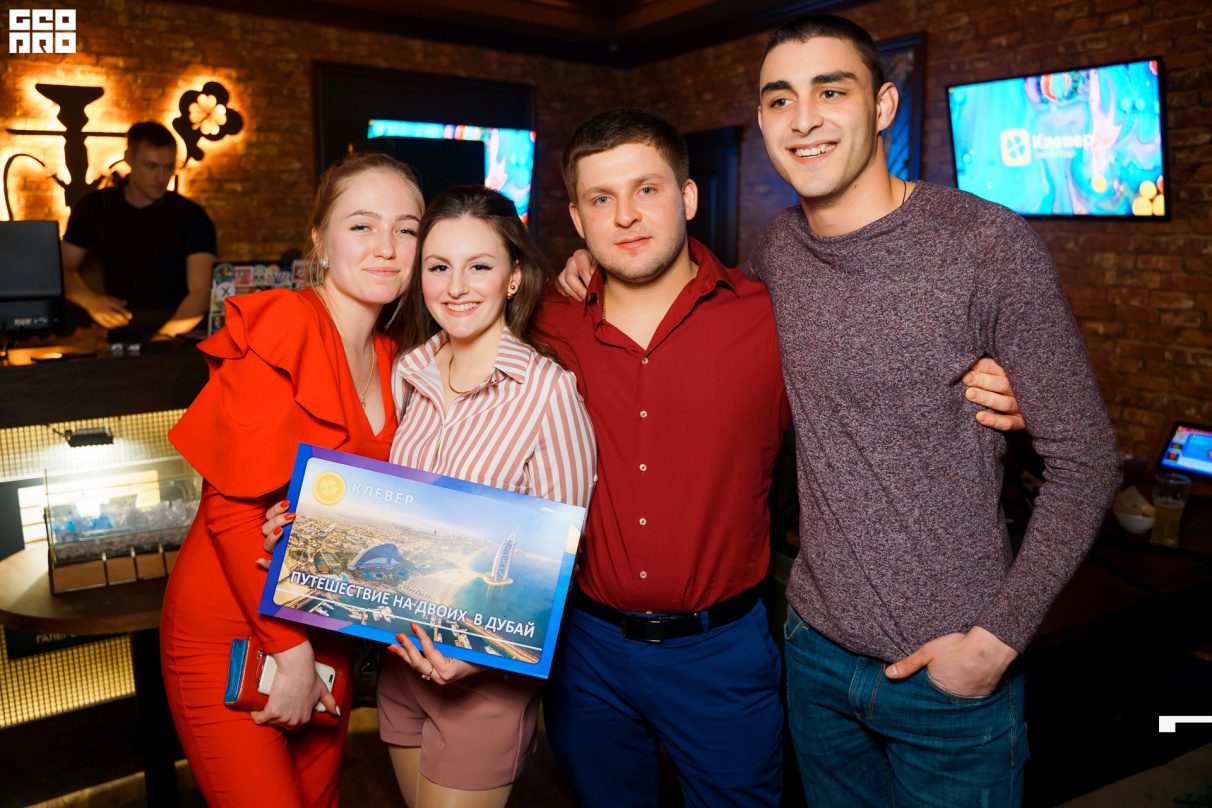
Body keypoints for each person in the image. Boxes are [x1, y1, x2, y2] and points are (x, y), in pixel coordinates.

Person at [543, 109, 1025, 808]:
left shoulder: (771, 314)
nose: (625, 216)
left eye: (646, 189)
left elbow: (887, 393)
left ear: (687, 196)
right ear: (578, 219)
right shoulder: (545, 326)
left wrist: (1007, 393)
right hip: (584, 648)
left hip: (720, 652)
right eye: (601, 198)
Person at [751, 14, 1122, 806]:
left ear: (883, 106)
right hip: (814, 655)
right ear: (763, 120)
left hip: (951, 677)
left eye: (831, 92)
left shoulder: (985, 244)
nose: (804, 119)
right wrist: (589, 270)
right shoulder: (775, 250)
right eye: (781, 99)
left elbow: (1087, 460)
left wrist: (996, 643)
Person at [265, 186, 597, 808]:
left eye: (480, 266)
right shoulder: (406, 374)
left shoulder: (549, 391)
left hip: (482, 680)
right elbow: (386, 512)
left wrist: (480, 660)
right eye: (439, 267)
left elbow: (564, 561)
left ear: (514, 277)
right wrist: (296, 526)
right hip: (399, 662)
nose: (457, 286)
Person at [161, 151, 423, 808]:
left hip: (327, 630)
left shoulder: (396, 355)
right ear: (320, 241)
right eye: (362, 226)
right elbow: (231, 513)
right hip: (235, 629)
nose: (387, 247)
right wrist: (292, 652)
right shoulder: (285, 324)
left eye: (407, 229)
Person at [61, 121, 217, 342]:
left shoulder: (191, 216)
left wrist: (162, 339)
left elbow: (201, 293)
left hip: (179, 335)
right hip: (120, 333)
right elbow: (63, 267)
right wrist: (90, 301)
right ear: (129, 159)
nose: (161, 177)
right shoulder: (96, 206)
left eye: (168, 168)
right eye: (152, 166)